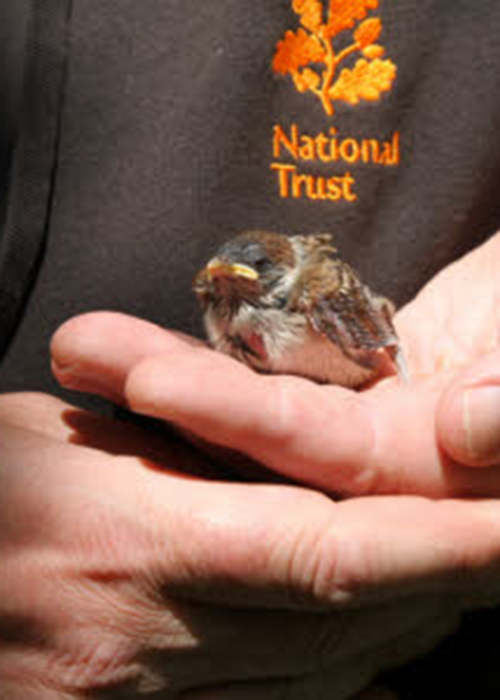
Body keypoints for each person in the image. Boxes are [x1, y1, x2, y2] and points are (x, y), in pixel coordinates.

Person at [1, 1, 500, 698]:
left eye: (244, 288)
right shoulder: (225, 298)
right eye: (219, 293)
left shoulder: (319, 291)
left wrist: (404, 364)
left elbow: (375, 329)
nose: (224, 298)